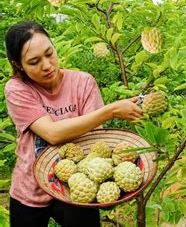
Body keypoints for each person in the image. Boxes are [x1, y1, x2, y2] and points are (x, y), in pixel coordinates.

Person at [4, 20, 143, 227]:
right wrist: (111, 111)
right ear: (18, 65)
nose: (47, 65)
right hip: (30, 190)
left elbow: (96, 142)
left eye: (49, 53)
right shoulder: (17, 89)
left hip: (78, 186)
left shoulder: (82, 82)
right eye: (34, 62)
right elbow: (51, 133)